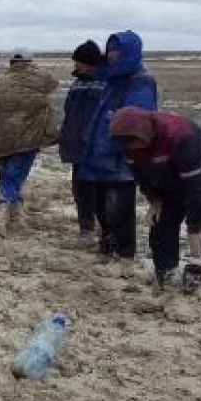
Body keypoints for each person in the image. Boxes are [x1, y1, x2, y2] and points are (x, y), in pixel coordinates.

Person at [109, 107, 201, 293]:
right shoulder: (129, 146)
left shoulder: (180, 136)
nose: (130, 147)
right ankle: (167, 273)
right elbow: (141, 175)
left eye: (133, 141)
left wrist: (195, 226)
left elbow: (199, 187)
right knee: (161, 226)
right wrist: (155, 199)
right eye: (125, 143)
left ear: (146, 132)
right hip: (170, 183)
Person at [76, 31, 158, 261]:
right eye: (110, 50)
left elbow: (138, 121)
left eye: (117, 51)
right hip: (101, 152)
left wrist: (122, 144)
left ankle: (124, 253)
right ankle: (108, 244)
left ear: (129, 52)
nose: (112, 55)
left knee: (119, 208)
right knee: (101, 206)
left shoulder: (140, 81)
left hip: (121, 156)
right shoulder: (113, 79)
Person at [0, 48, 60, 236]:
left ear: (10, 63)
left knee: (7, 176)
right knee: (15, 177)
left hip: (1, 138)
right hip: (29, 139)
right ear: (31, 62)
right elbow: (54, 83)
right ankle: (5, 217)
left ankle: (12, 216)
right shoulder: (41, 81)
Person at [59, 40, 106, 245]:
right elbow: (69, 111)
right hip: (77, 146)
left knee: (99, 190)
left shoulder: (105, 82)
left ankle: (105, 230)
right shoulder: (78, 83)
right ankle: (85, 229)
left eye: (78, 61)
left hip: (96, 147)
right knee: (80, 189)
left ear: (89, 63)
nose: (75, 65)